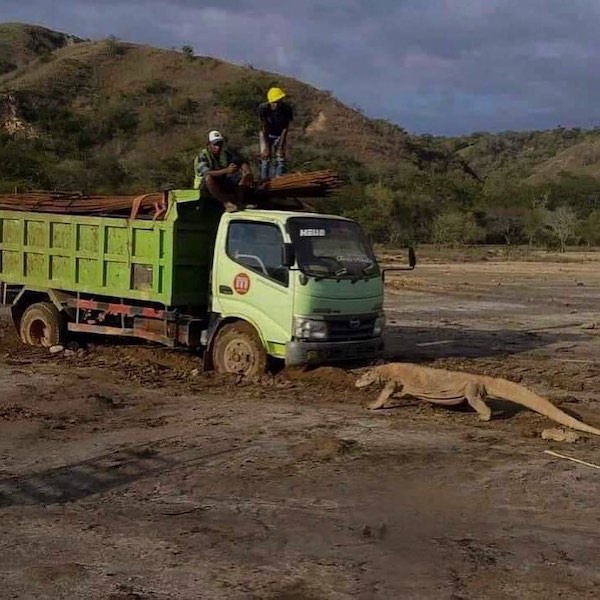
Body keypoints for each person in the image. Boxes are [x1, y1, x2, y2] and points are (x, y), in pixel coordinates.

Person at [194, 130, 253, 212]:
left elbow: (239, 160)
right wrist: (226, 170)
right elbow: (206, 172)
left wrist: (246, 170)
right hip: (205, 186)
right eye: (215, 144)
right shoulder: (203, 155)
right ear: (209, 145)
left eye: (220, 144)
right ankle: (226, 203)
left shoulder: (224, 154)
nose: (218, 147)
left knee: (242, 175)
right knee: (208, 178)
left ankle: (239, 202)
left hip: (221, 181)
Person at [258, 87, 293, 180]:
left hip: (280, 134)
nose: (276, 105)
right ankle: (264, 181)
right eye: (274, 102)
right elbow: (264, 127)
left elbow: (285, 128)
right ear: (270, 102)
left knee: (280, 158)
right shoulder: (263, 109)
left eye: (278, 102)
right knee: (265, 158)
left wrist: (281, 146)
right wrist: (267, 147)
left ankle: (278, 181)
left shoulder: (287, 109)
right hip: (266, 133)